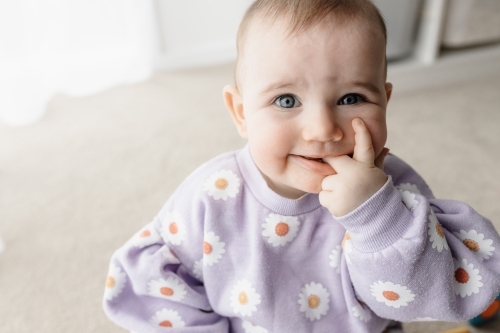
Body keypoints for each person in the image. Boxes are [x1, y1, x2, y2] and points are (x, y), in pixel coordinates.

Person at [103, 0, 500, 332]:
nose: (323, 129)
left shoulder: (392, 192)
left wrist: (376, 218)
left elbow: (437, 294)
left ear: (385, 100)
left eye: (350, 98)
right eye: (287, 101)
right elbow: (160, 291)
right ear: (240, 113)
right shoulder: (212, 196)